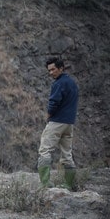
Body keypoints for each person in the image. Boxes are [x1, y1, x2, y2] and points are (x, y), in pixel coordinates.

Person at [37, 57, 79, 190]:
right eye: (49, 70)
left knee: (45, 150)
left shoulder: (58, 83)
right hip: (69, 123)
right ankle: (69, 184)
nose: (51, 73)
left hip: (57, 122)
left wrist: (48, 115)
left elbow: (53, 103)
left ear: (61, 68)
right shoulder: (72, 83)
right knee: (67, 153)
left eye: (53, 69)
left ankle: (45, 184)